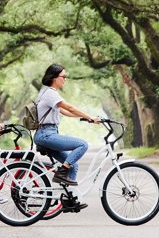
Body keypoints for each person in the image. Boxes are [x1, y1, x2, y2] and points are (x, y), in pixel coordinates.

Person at [33, 64, 100, 211]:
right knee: (82, 144)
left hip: (48, 133)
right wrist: (90, 116)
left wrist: (86, 118)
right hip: (46, 134)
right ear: (54, 77)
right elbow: (69, 107)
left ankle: (70, 199)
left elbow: (65, 111)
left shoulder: (49, 93)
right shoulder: (50, 93)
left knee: (73, 165)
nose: (65, 79)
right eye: (63, 76)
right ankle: (62, 172)